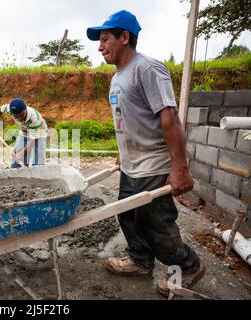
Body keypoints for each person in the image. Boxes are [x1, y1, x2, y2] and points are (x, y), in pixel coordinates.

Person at [86, 10, 205, 297]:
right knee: (128, 217)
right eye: (99, 41)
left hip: (154, 165)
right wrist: (122, 151)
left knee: (156, 225)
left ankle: (188, 266)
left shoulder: (148, 69)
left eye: (104, 39)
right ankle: (140, 261)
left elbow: (169, 118)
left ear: (124, 37)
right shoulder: (118, 77)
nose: (100, 46)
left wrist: (180, 168)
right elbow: (127, 119)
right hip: (132, 164)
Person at [0, 98, 48, 168]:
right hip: (24, 131)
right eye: (16, 116)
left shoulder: (34, 118)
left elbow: (34, 140)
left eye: (21, 115)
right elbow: (0, 109)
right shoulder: (9, 108)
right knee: (17, 162)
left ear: (25, 109)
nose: (19, 118)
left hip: (39, 134)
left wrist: (21, 153)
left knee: (38, 164)